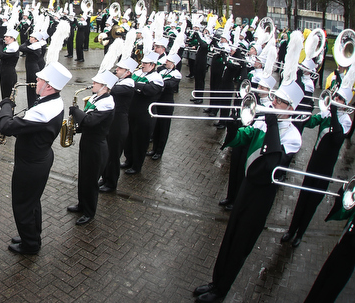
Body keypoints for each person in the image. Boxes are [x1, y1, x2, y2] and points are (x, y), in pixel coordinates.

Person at [193, 81, 303, 302]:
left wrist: (271, 125)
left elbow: (272, 163)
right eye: (275, 99)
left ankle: (221, 291)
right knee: (230, 235)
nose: (273, 103)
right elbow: (241, 138)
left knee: (240, 244)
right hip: (247, 186)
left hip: (261, 195)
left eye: (279, 101)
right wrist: (234, 122)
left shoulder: (293, 137)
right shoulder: (264, 124)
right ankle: (215, 282)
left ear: (291, 108)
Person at [0, 61, 71, 255]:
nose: (36, 80)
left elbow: (7, 127)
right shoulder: (52, 101)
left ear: (50, 86)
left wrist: (6, 106)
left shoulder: (43, 111)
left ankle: (30, 245)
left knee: (23, 204)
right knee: (32, 202)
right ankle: (31, 235)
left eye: (41, 79)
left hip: (31, 164)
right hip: (38, 158)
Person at [281, 88, 352, 247]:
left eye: (340, 99)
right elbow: (311, 123)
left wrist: (333, 113)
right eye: (336, 97)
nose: (336, 100)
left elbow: (337, 138)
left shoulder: (346, 120)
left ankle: (300, 234)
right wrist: (302, 111)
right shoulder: (327, 113)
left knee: (312, 202)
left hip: (325, 168)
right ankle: (291, 230)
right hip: (314, 163)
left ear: (346, 104)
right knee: (303, 197)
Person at [67, 70, 116, 225]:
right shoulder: (96, 98)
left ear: (105, 87)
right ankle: (82, 204)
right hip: (87, 142)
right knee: (83, 176)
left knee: (91, 180)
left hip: (97, 146)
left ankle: (89, 212)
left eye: (96, 83)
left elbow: (90, 121)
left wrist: (76, 112)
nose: (92, 84)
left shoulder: (107, 102)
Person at [121, 51, 163, 175]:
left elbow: (149, 91)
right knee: (129, 139)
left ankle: (136, 165)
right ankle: (128, 160)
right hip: (131, 112)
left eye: (146, 63)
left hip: (144, 114)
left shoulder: (156, 78)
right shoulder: (138, 73)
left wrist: (133, 84)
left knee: (140, 141)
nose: (143, 65)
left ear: (153, 65)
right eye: (143, 63)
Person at [100, 57, 136, 193]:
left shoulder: (128, 84)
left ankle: (111, 183)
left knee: (114, 155)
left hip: (119, 123)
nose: (116, 70)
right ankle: (105, 177)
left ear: (127, 72)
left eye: (120, 69)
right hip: (112, 121)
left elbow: (112, 90)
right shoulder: (120, 80)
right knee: (107, 153)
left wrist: (105, 82)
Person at [149, 53, 183, 160]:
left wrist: (159, 82)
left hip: (167, 103)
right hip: (158, 101)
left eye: (168, 61)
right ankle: (154, 149)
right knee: (156, 127)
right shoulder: (162, 71)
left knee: (164, 128)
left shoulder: (176, 74)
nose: (165, 62)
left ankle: (159, 151)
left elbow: (170, 85)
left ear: (173, 64)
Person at [19, 32, 44, 109]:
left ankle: (33, 105)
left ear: (36, 40)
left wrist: (26, 42)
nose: (30, 38)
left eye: (32, 37)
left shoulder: (35, 47)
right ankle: (31, 104)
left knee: (32, 87)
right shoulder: (35, 45)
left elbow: (21, 48)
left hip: (32, 69)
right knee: (31, 87)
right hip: (31, 68)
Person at [0, 29, 20, 99]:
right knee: (4, 93)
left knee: (7, 94)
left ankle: (8, 109)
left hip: (8, 73)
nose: (4, 38)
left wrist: (0, 44)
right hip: (5, 72)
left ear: (12, 38)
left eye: (7, 37)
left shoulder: (13, 47)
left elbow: (0, 54)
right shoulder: (10, 45)